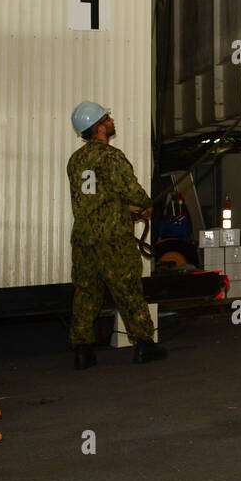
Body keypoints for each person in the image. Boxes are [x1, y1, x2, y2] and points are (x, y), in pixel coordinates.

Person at [66, 101, 165, 368]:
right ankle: (144, 344)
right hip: (113, 238)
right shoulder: (111, 156)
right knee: (128, 288)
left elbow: (98, 198)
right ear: (98, 126)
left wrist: (127, 208)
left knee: (86, 292)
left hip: (84, 238)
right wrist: (145, 206)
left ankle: (82, 351)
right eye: (107, 117)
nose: (112, 121)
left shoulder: (75, 161)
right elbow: (130, 191)